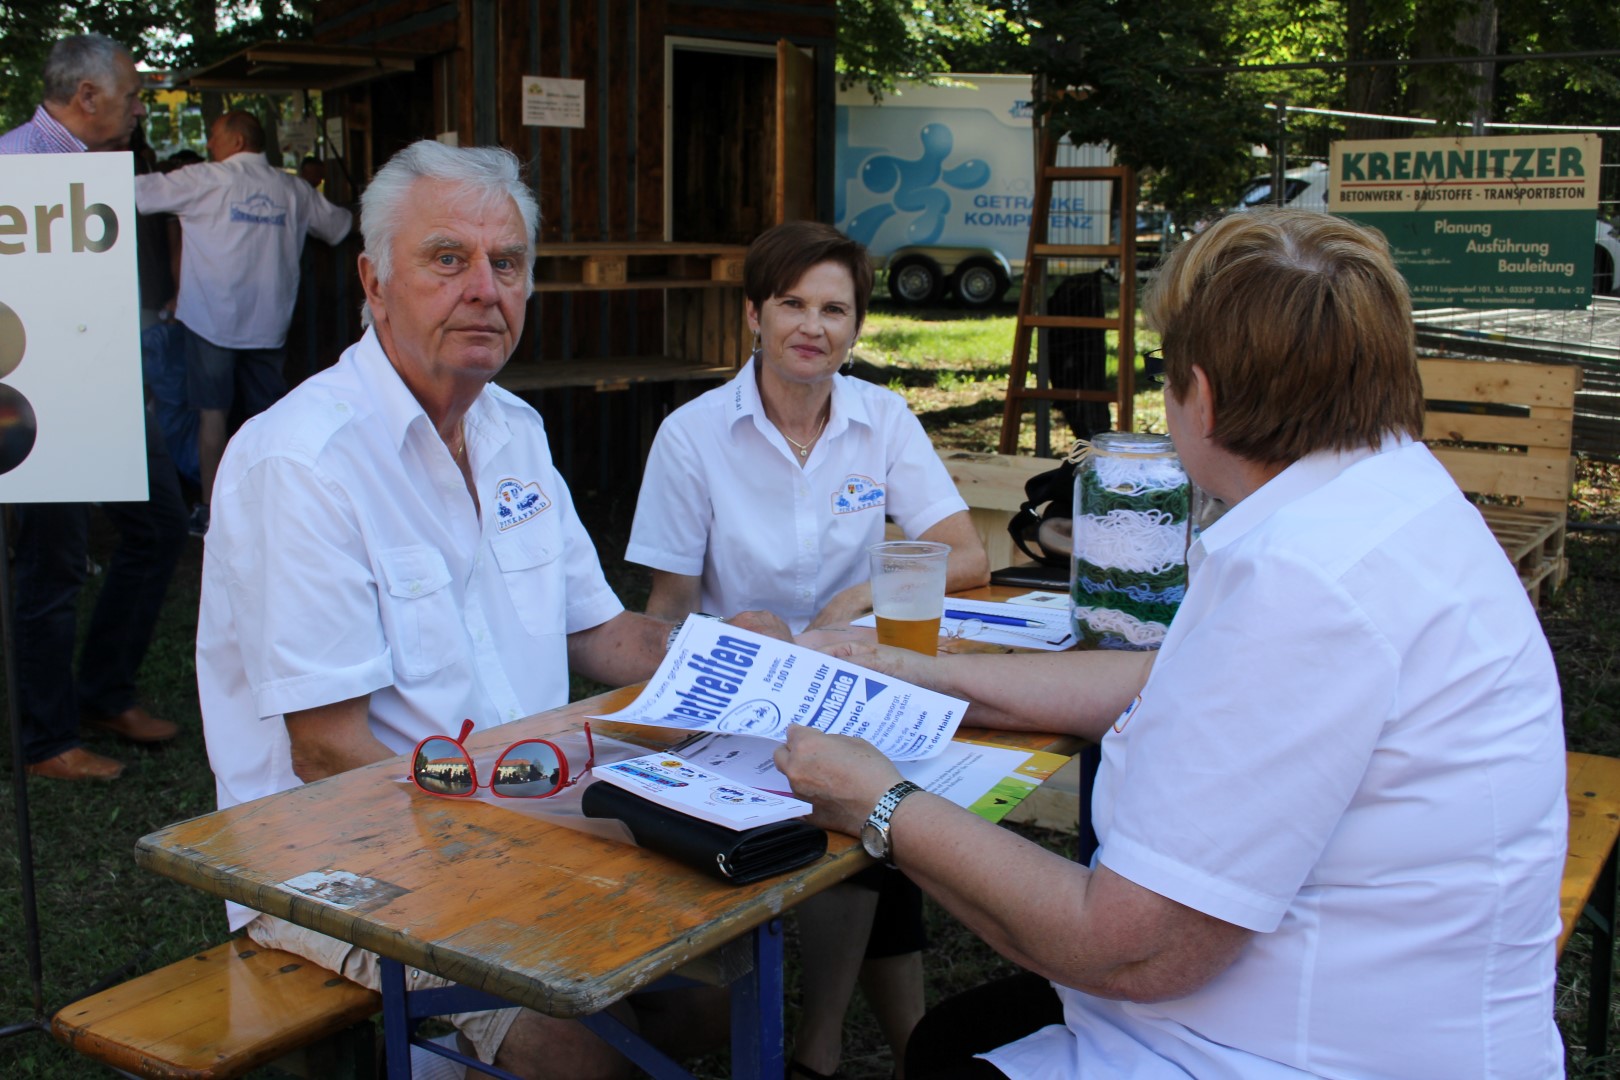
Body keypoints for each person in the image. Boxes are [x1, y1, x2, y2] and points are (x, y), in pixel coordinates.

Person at [775, 208, 1567, 1079]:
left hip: (1283, 1049)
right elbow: (1174, 674)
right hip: (1366, 1011)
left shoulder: (1307, 581)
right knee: (946, 1040)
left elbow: (1129, 950)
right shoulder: (1381, 500)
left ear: (1205, 396)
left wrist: (880, 801)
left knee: (951, 1054)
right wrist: (920, 673)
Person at [196, 139, 787, 1079]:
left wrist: (741, 658)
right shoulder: (299, 462)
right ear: (373, 280)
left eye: (506, 263)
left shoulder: (513, 428)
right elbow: (325, 750)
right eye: (447, 258)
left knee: (721, 1000)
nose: (484, 287)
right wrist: (538, 836)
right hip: (335, 864)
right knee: (589, 1054)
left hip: (514, 824)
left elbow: (600, 631)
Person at [627, 219, 989, 1078]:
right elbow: (666, 615)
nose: (811, 327)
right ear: (754, 313)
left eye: (835, 309)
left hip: (856, 682)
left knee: (880, 786)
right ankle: (858, 1047)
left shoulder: (882, 418)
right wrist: (726, 643)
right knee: (876, 804)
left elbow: (965, 554)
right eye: (791, 303)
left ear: (857, 326)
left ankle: (832, 1047)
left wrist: (859, 595)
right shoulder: (693, 434)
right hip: (741, 703)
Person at [1, 33, 187, 781]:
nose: (140, 109)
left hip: (105, 384)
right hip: (42, 403)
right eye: (134, 95)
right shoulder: (14, 167)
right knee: (52, 563)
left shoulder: (91, 170)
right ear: (87, 97)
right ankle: (46, 740)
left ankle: (103, 692)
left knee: (161, 525)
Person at [133, 110, 352, 536]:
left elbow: (135, 194)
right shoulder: (292, 188)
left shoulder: (204, 179)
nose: (209, 143)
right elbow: (340, 226)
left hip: (211, 322)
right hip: (268, 324)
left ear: (235, 140)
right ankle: (269, 507)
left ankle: (211, 511)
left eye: (213, 134)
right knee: (268, 419)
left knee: (211, 417)